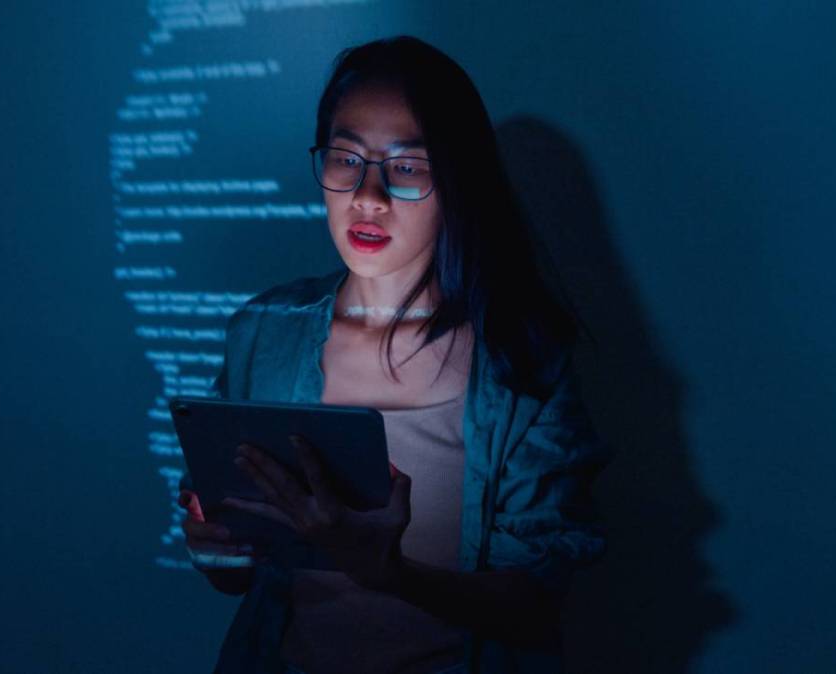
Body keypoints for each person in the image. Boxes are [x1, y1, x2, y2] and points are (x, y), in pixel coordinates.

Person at [176, 35, 613, 674]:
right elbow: (237, 578)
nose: (369, 195)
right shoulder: (264, 335)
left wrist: (388, 572)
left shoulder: (521, 366)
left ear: (457, 181)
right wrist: (214, 547)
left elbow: (534, 603)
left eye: (407, 167)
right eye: (346, 158)